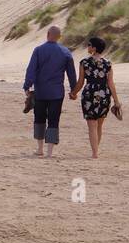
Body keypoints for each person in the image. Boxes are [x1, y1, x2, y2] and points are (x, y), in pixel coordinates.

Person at [23, 25, 77, 158]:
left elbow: (31, 70)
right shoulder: (65, 52)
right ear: (59, 37)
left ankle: (40, 149)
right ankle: (49, 152)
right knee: (54, 120)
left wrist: (27, 86)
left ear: (47, 34)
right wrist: (74, 90)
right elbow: (71, 74)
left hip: (40, 92)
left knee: (39, 119)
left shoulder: (39, 50)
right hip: (57, 93)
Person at [71, 36, 120, 159]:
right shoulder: (108, 63)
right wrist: (116, 101)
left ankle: (95, 153)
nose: (88, 47)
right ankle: (95, 151)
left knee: (91, 125)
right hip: (104, 94)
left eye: (89, 45)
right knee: (99, 125)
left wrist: (73, 93)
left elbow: (81, 82)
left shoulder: (84, 63)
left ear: (94, 48)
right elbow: (111, 83)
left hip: (89, 94)